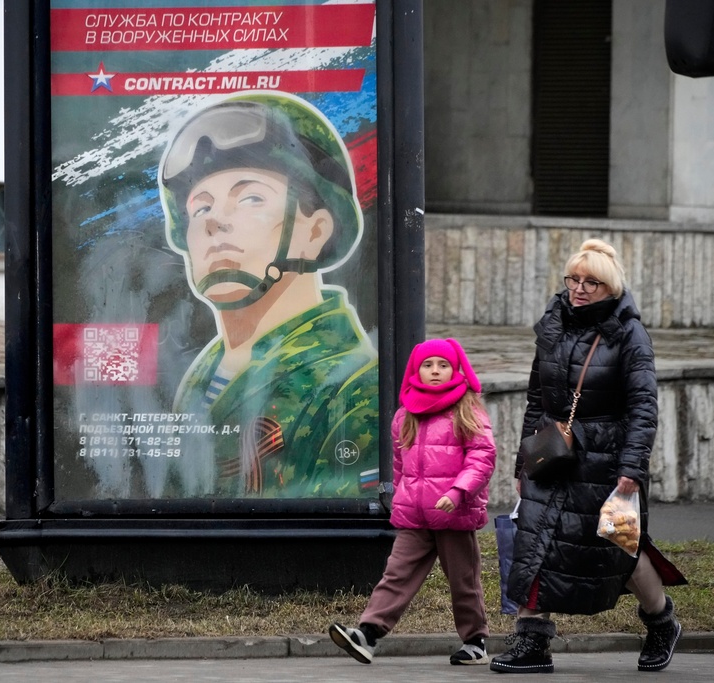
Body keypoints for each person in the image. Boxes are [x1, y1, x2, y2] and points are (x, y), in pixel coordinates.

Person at [159, 92, 378, 498]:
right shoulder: (206, 374)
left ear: (314, 232)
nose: (215, 223)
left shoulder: (350, 389)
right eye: (200, 209)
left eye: (251, 198)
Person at [490, 239, 686, 674]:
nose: (579, 289)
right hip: (553, 452)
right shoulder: (553, 324)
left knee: (619, 549)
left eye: (590, 283)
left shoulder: (629, 333)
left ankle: (661, 621)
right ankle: (532, 641)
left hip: (606, 460)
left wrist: (632, 468)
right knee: (532, 544)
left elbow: (643, 406)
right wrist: (524, 462)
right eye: (573, 280)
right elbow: (537, 399)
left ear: (610, 287)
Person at [328, 338, 496, 666]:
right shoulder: (406, 413)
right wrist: (401, 498)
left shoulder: (467, 409)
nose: (435, 371)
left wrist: (458, 491)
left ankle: (475, 641)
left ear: (455, 369)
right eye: (428, 365)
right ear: (416, 371)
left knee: (464, 581)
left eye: (443, 365)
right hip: (415, 515)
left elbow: (483, 456)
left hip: (453, 513)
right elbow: (401, 466)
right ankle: (368, 634)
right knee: (396, 574)